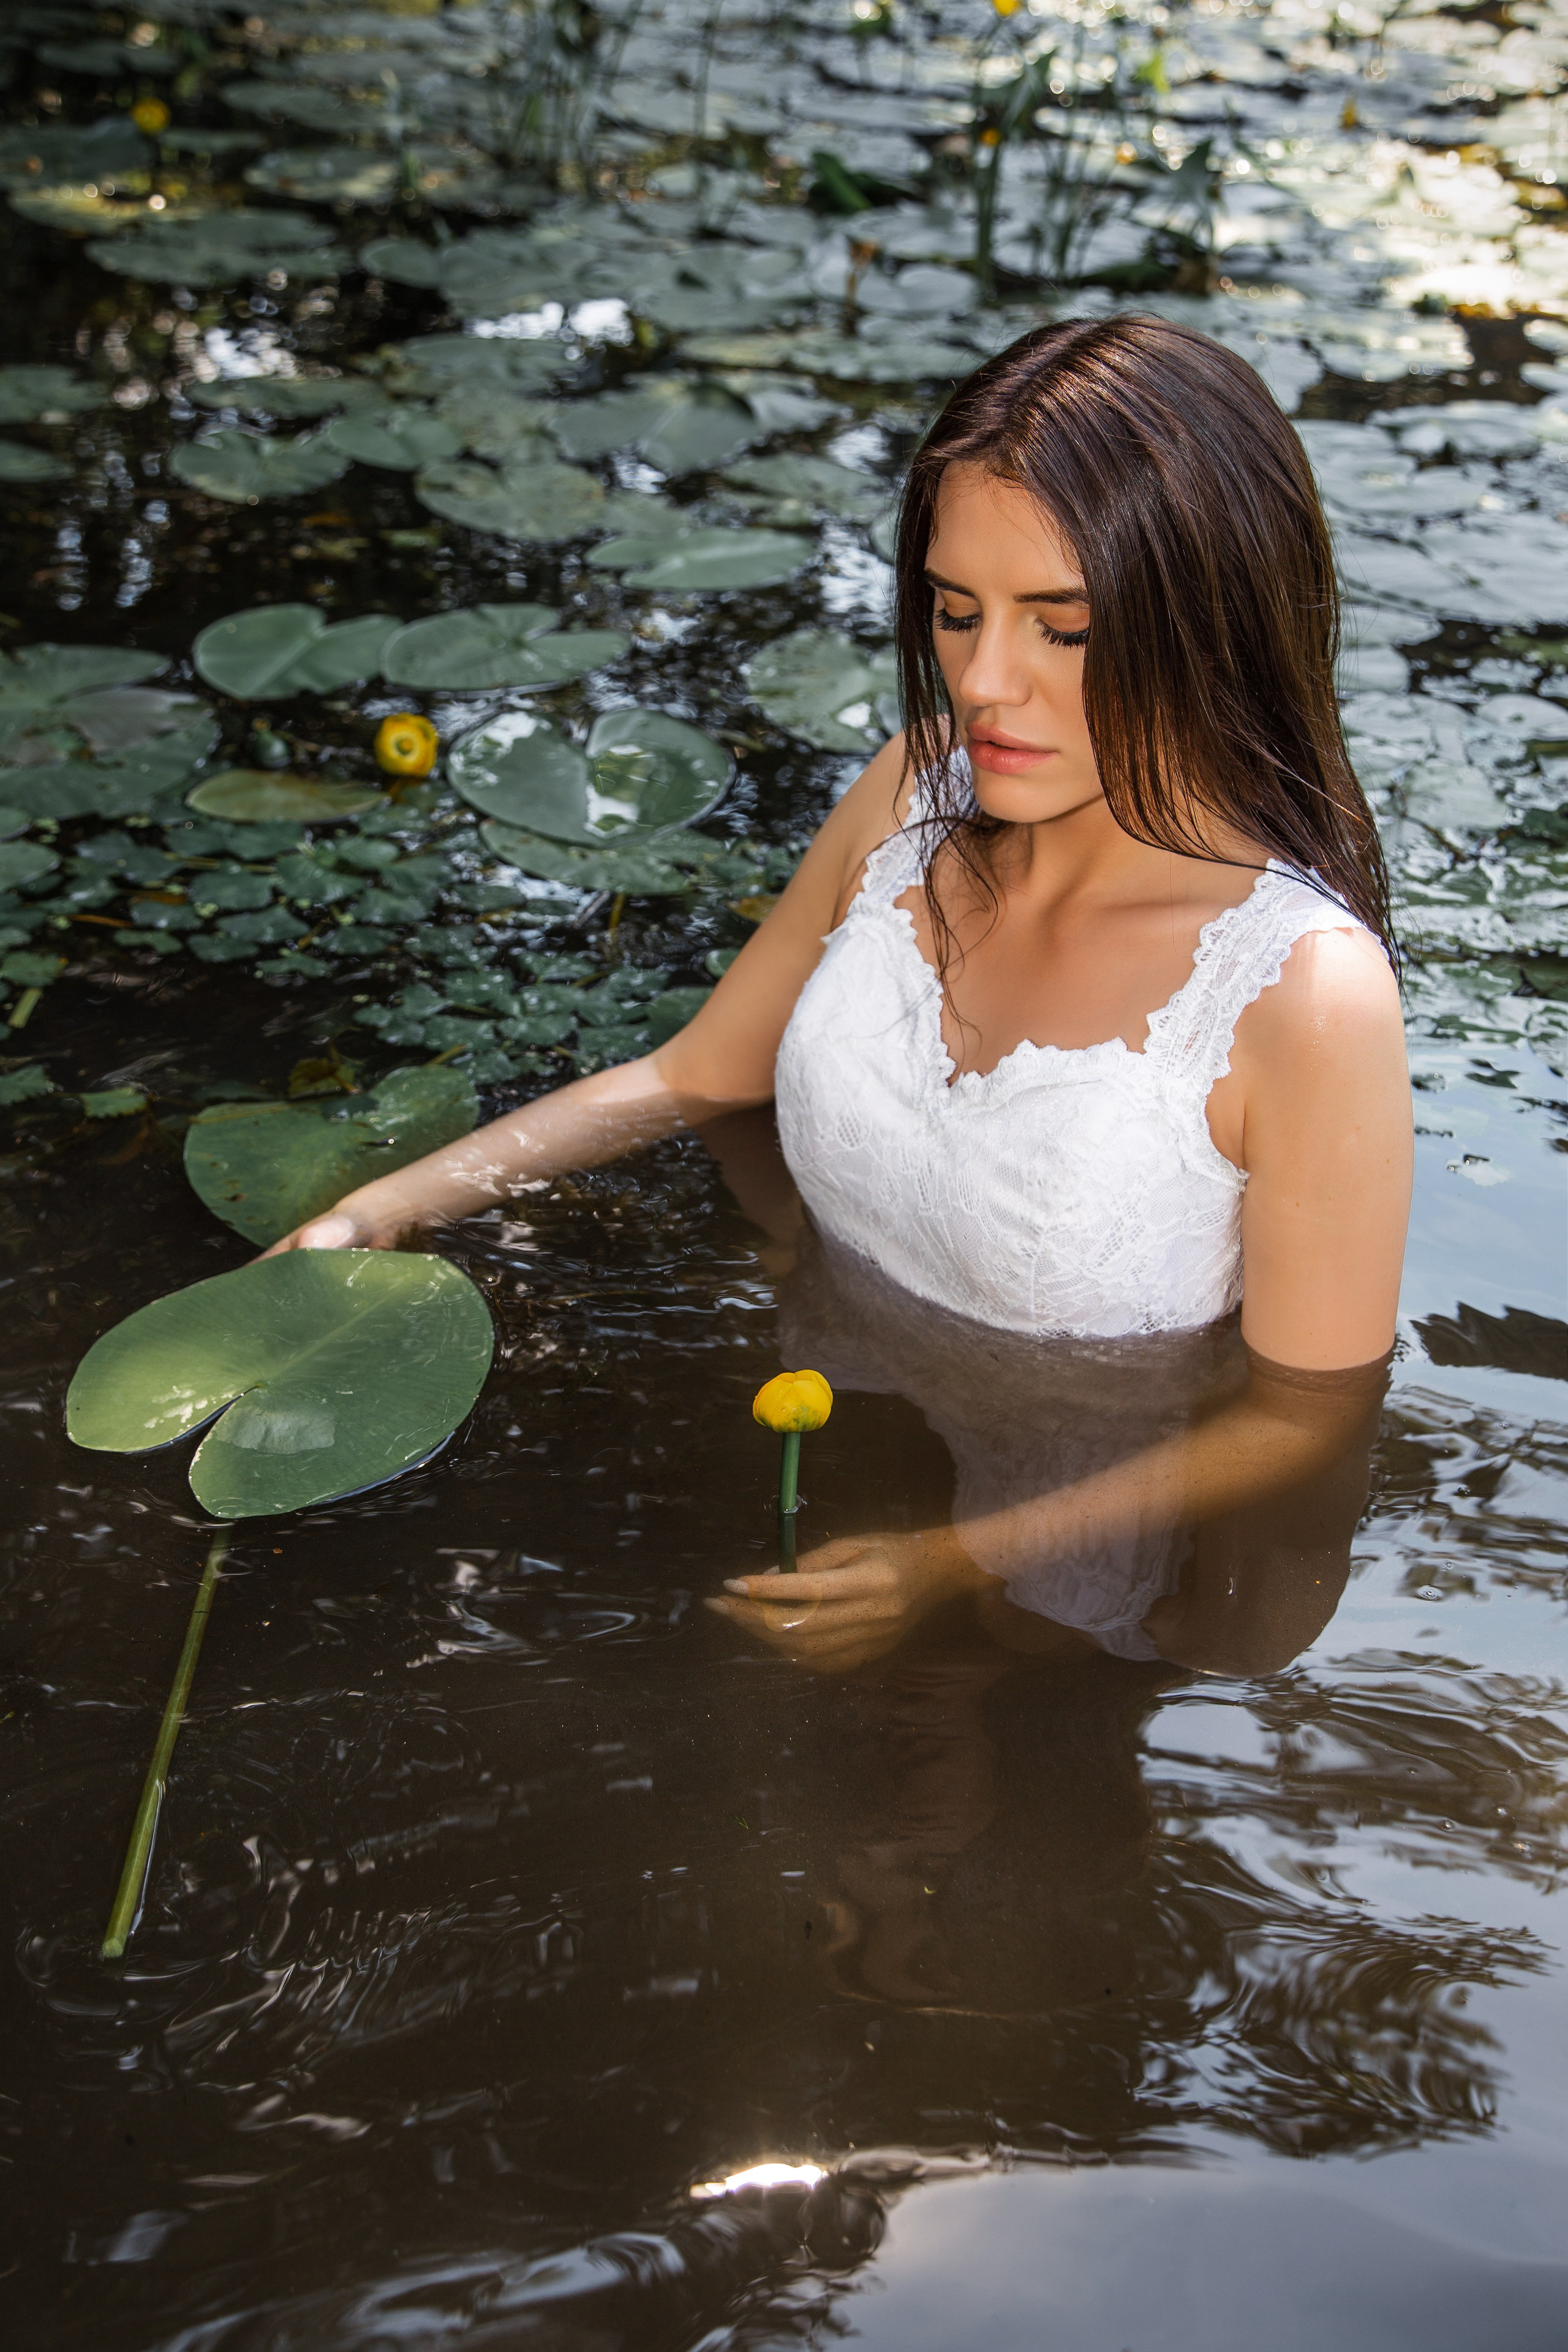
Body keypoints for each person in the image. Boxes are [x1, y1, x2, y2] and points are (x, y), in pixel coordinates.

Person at [268, 315, 1412, 1654]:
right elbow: (695, 1074)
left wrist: (949, 1566)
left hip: (1045, 1585)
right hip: (795, 1422)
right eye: (951, 609)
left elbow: (1304, 1420)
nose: (984, 683)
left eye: (1065, 627)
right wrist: (389, 1207)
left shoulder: (1302, 995)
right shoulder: (909, 791)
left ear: (1207, 623)